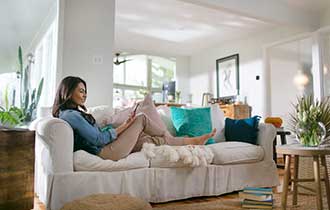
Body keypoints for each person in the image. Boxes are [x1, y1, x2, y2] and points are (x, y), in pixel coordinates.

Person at [52, 76, 216, 161]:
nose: (85, 94)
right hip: (105, 152)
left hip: (108, 147)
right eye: (81, 90)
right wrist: (125, 126)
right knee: (142, 118)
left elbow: (99, 135)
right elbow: (99, 139)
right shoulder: (71, 115)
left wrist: (125, 125)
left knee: (150, 140)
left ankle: (192, 141)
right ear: (67, 91)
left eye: (85, 91)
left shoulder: (70, 114)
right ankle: (178, 139)